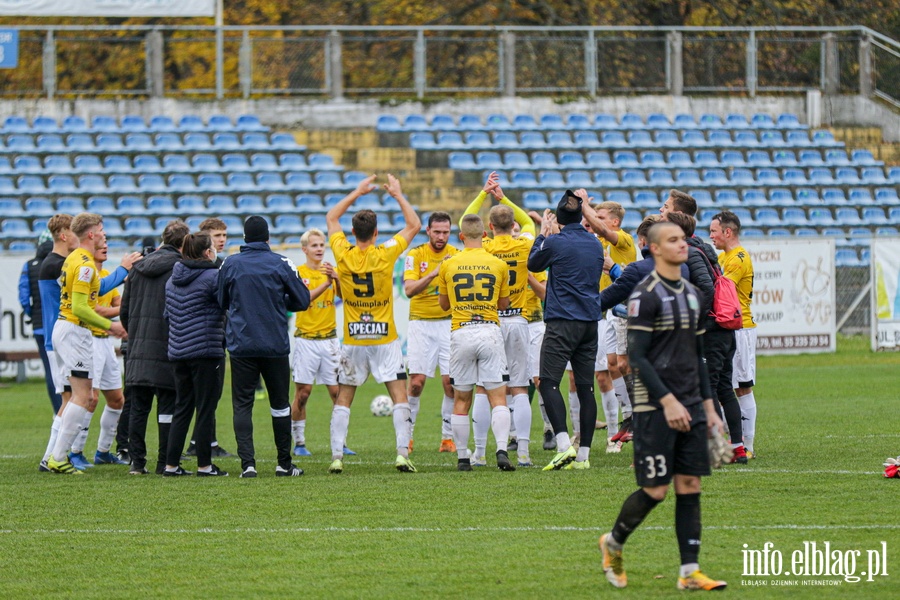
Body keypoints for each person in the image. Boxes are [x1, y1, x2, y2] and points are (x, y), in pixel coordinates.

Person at [598, 221, 727, 591]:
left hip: (690, 403)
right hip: (656, 407)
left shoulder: (691, 293)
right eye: (673, 240)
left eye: (683, 239)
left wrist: (709, 407)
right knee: (656, 490)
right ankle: (613, 542)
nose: (681, 244)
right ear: (654, 248)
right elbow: (637, 357)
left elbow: (697, 354)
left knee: (689, 484)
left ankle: (689, 572)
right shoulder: (645, 295)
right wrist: (668, 401)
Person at [325, 174, 421, 474]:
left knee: (344, 396)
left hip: (354, 337)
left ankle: (337, 456)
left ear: (353, 232)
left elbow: (331, 217)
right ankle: (402, 454)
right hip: (384, 336)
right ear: (376, 233)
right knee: (399, 395)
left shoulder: (342, 252)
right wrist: (397, 194)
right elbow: (415, 225)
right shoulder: (386, 252)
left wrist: (357, 191)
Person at [218, 216, 310, 478]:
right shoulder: (281, 263)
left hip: (241, 345)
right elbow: (302, 300)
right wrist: (280, 302)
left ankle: (247, 465)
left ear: (245, 238)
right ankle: (284, 464)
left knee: (242, 405)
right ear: (268, 237)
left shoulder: (231, 263)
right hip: (274, 345)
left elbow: (221, 300)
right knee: (280, 404)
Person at [461, 172, 536, 467]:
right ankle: (525, 452)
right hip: (517, 319)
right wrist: (503, 197)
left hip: (490, 322)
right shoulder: (524, 243)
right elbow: (529, 223)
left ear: (489, 227)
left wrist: (484, 194)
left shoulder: (485, 247)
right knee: (519, 387)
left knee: (484, 386)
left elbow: (466, 220)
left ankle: (479, 453)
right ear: (512, 226)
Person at [527, 189, 604, 471]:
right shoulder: (595, 244)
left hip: (562, 322)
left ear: (558, 218)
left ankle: (562, 446)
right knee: (586, 389)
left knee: (548, 382)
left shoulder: (556, 242)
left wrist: (542, 235)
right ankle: (583, 456)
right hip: (590, 323)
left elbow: (533, 263)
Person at [599, 214, 691, 453]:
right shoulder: (684, 269)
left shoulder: (637, 270)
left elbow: (607, 298)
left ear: (643, 242)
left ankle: (647, 448)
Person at [46, 213, 127, 474]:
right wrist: (111, 326)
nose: (104, 235)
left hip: (68, 330)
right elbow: (81, 308)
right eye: (101, 230)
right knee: (82, 397)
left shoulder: (77, 259)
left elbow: (97, 288)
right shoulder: (83, 264)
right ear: (91, 234)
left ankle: (56, 456)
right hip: (74, 330)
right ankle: (58, 457)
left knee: (81, 395)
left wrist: (124, 270)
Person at [667, 210, 747, 463]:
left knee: (710, 387)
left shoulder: (690, 253)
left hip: (711, 330)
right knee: (724, 388)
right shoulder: (704, 250)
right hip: (724, 328)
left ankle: (719, 447)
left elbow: (706, 289)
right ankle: (738, 447)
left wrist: (695, 323)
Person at [438, 213, 513, 472]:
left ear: (461, 237)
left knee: (461, 399)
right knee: (498, 397)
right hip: (489, 330)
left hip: (461, 331)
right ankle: (502, 450)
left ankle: (462, 458)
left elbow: (444, 305)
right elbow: (504, 304)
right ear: (485, 235)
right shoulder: (498, 264)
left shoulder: (448, 264)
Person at [122, 220, 190, 475]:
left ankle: (137, 463)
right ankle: (165, 461)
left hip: (138, 345)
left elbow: (124, 311)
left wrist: (136, 334)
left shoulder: (137, 268)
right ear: (183, 243)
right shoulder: (180, 268)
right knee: (168, 407)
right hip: (168, 343)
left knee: (138, 407)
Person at [163, 233, 228, 477]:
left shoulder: (172, 280)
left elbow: (167, 315)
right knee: (205, 409)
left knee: (183, 407)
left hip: (178, 351)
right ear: (206, 253)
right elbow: (226, 303)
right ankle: (204, 465)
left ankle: (171, 465)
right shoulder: (212, 277)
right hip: (206, 350)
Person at [67, 238, 131, 468]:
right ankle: (75, 451)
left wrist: (123, 306)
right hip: (89, 339)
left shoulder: (105, 275)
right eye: (102, 244)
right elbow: (95, 309)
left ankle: (103, 451)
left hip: (106, 343)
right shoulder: (85, 274)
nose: (105, 247)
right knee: (90, 399)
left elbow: (116, 302)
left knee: (116, 399)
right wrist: (123, 309)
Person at [402, 211, 458, 453]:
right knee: (416, 383)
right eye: (437, 231)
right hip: (420, 324)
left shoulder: (457, 255)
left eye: (445, 232)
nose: (441, 236)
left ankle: (447, 439)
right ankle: (407, 437)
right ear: (428, 231)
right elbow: (409, 289)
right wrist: (435, 273)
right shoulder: (416, 255)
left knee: (450, 384)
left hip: (448, 323)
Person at [586, 200, 638, 449]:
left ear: (615, 222)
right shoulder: (601, 243)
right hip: (610, 311)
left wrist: (584, 204)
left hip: (625, 310)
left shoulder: (624, 239)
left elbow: (601, 230)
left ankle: (633, 416)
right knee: (610, 365)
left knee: (624, 364)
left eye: (601, 217)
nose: (597, 220)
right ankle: (627, 417)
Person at [290, 228, 344, 457]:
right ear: (304, 249)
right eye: (314, 246)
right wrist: (328, 283)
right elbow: (303, 299)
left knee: (337, 393)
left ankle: (339, 443)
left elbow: (343, 296)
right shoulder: (297, 272)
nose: (320, 249)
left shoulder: (331, 271)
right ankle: (300, 442)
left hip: (329, 340)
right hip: (306, 340)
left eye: (322, 245)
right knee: (303, 393)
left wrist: (338, 279)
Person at [184, 217, 234, 459]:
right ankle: (204, 444)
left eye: (224, 235)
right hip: (205, 338)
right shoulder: (210, 268)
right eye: (217, 236)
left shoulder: (221, 264)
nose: (222, 240)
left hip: (214, 336)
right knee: (202, 395)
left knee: (210, 395)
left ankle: (202, 441)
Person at [709, 210, 757, 458]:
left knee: (742, 387)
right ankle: (737, 441)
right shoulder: (725, 256)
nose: (711, 236)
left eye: (714, 231)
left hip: (740, 327)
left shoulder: (737, 258)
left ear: (728, 232)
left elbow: (721, 290)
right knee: (727, 386)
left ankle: (747, 446)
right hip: (731, 327)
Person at [19, 235, 61, 414]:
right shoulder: (60, 264)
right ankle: (70, 407)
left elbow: (23, 297)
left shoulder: (29, 266)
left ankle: (57, 411)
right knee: (66, 370)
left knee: (50, 370)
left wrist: (33, 314)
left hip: (40, 328)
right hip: (62, 324)